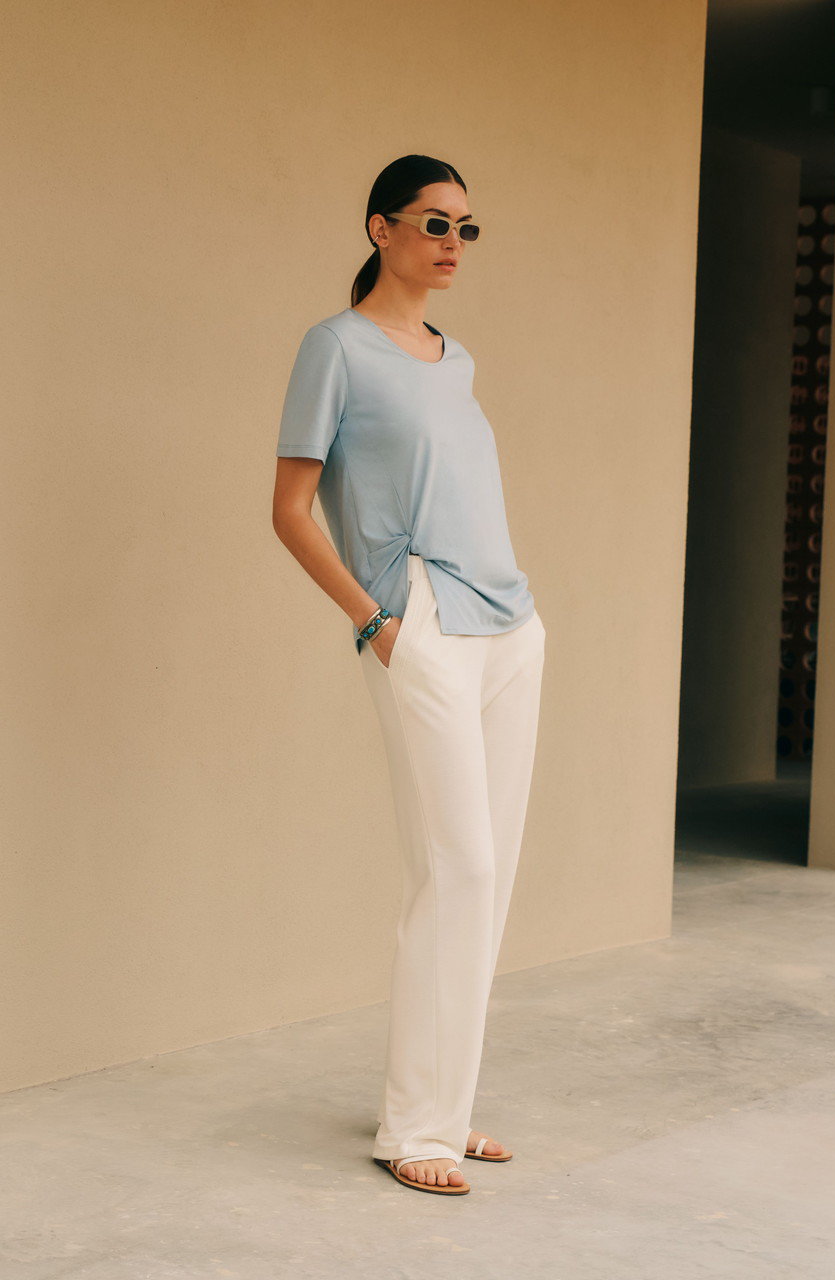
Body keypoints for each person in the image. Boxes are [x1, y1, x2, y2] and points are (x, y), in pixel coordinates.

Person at [271, 154, 546, 1197]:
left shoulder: (454, 357)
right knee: (454, 865)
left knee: (490, 872)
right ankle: (413, 1125)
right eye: (435, 222)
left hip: (509, 622)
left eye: (466, 227)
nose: (453, 242)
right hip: (419, 615)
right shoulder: (334, 346)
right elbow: (289, 509)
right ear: (381, 228)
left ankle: (444, 1104)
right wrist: (376, 621)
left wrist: (523, 617)